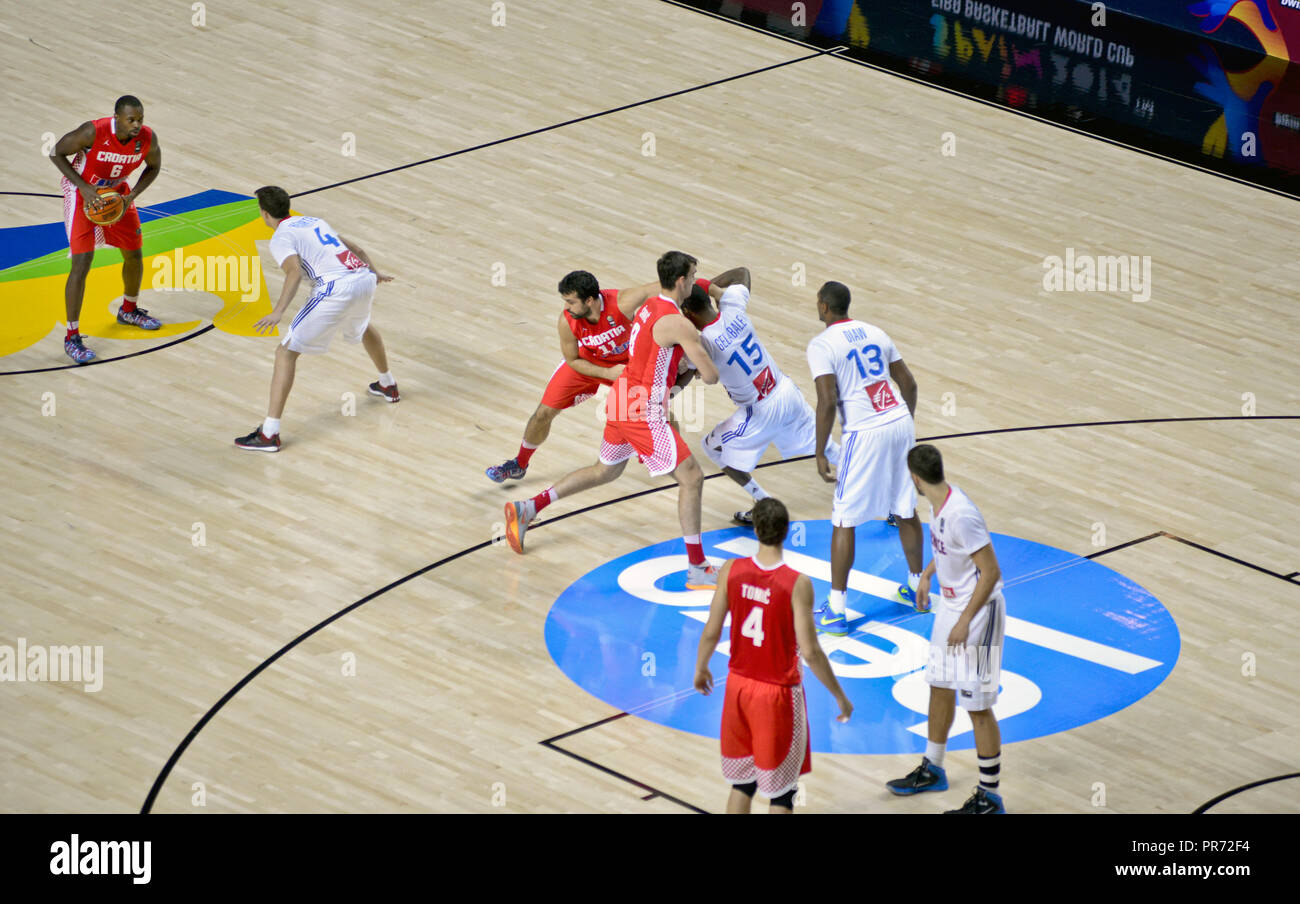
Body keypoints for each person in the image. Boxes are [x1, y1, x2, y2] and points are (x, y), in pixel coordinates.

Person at [504, 251, 722, 589]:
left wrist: (677, 371)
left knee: (605, 470)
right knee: (692, 477)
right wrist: (705, 352)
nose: (694, 281)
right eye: (693, 276)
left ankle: (529, 507)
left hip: (623, 396)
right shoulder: (677, 323)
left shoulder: (646, 308)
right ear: (681, 281)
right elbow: (710, 377)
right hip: (641, 408)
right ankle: (697, 568)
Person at [692, 497, 852, 813]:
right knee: (782, 793)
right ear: (787, 531)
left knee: (744, 783)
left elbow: (712, 628)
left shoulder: (731, 570)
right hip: (777, 695)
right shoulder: (797, 583)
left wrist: (701, 667)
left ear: (755, 529)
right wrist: (839, 695)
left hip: (738, 687)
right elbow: (811, 651)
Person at [485, 269, 708, 483]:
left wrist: (712, 291)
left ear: (590, 300)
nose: (566, 307)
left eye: (571, 301)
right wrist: (605, 372)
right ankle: (519, 464)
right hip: (586, 364)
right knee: (543, 413)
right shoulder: (566, 321)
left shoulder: (623, 302)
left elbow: (671, 287)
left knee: (655, 411)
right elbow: (572, 360)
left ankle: (671, 460)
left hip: (627, 366)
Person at [886, 444, 1007, 814]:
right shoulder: (939, 502)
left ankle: (990, 797)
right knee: (938, 685)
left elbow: (991, 572)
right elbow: (947, 550)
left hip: (980, 611)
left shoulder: (961, 514)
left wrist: (965, 621)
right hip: (951, 606)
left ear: (916, 478)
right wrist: (925, 575)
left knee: (978, 706)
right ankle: (933, 768)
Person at [234, 186, 398, 452]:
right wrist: (374, 271)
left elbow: (294, 273)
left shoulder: (281, 237)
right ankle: (388, 384)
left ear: (264, 214)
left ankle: (269, 434)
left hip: (336, 287)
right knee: (362, 325)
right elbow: (353, 247)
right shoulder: (313, 221)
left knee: (285, 352)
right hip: (362, 277)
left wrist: (278, 312)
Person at [806, 280, 924, 635]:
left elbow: (827, 401)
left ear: (825, 307)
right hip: (900, 421)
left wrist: (820, 450)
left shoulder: (821, 344)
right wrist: (904, 426)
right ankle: (917, 589)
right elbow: (910, 385)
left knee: (844, 519)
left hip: (865, 432)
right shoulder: (875, 331)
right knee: (905, 508)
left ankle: (837, 611)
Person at [680, 269, 839, 525]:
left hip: (760, 410)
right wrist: (708, 286)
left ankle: (763, 503)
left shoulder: (702, 343)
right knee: (827, 447)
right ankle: (885, 492)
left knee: (712, 447)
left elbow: (684, 375)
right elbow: (742, 274)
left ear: (687, 313)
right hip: (785, 391)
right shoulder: (732, 306)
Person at [49, 95, 164, 364]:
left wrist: (132, 195)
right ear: (117, 118)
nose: (137, 124)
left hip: (117, 194)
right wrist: (84, 187)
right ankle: (72, 336)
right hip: (83, 195)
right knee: (82, 263)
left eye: (140, 119)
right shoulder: (94, 131)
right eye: (131, 119)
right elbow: (56, 152)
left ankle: (129, 310)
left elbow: (154, 166)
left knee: (134, 253)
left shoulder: (146, 139)